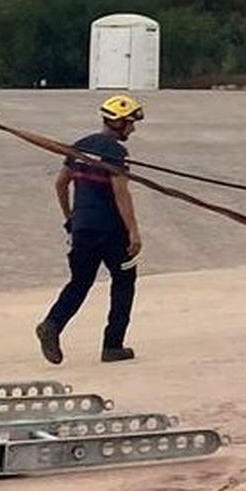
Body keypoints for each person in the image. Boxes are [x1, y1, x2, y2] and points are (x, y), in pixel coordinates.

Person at [35, 94, 146, 365]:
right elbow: (122, 194)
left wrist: (71, 219)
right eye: (130, 123)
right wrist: (133, 232)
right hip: (111, 230)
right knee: (124, 281)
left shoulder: (79, 147)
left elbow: (61, 184)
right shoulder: (116, 154)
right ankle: (112, 345)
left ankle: (52, 324)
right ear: (119, 123)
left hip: (83, 229)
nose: (133, 129)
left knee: (80, 282)